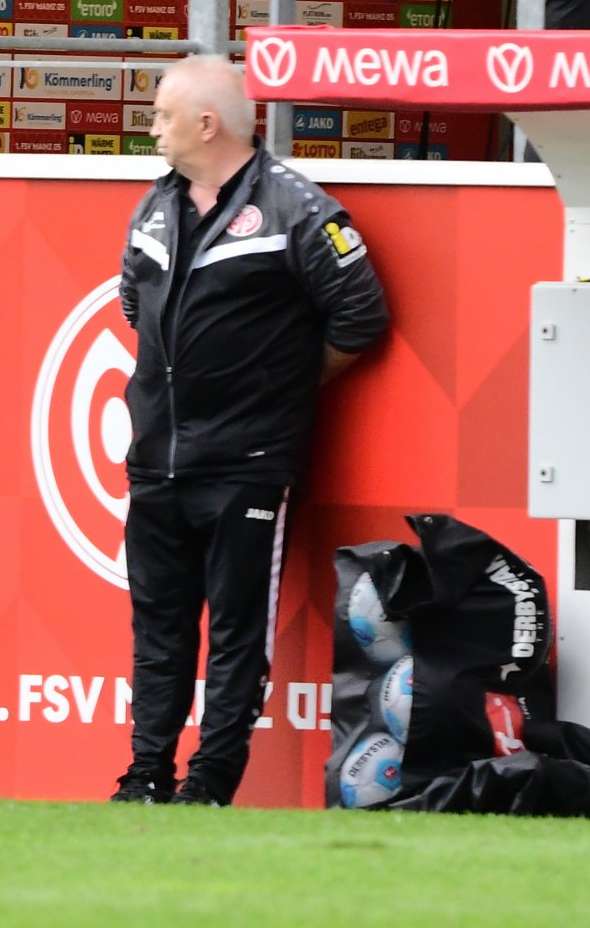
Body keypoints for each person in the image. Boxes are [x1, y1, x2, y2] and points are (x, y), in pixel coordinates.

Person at [110, 57, 388, 806]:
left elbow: (362, 316)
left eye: (163, 114)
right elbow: (133, 302)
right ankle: (143, 777)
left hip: (247, 464)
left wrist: (275, 388)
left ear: (208, 124)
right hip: (156, 462)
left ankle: (209, 787)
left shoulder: (298, 208)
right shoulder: (155, 204)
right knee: (158, 631)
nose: (152, 126)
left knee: (236, 637)